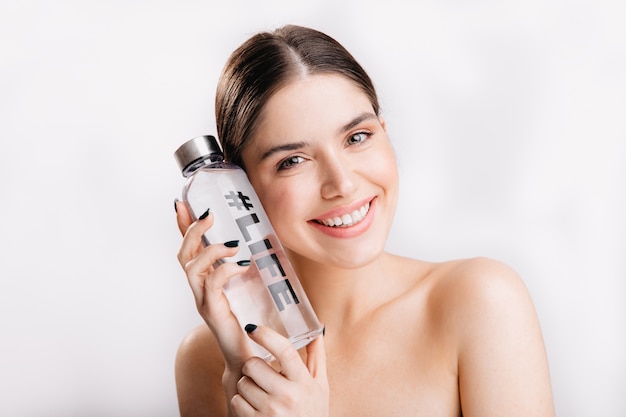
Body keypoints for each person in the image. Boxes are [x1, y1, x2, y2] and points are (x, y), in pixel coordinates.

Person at [173, 24, 555, 417]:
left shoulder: (480, 301)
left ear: (384, 133)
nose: (342, 183)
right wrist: (244, 366)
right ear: (240, 188)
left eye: (357, 137)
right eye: (293, 161)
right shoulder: (208, 360)